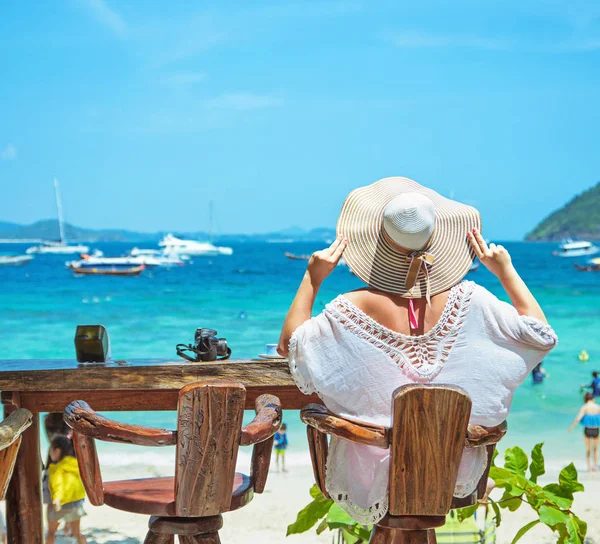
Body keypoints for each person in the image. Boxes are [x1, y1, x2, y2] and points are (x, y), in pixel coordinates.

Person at [278, 177, 557, 524]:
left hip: (373, 473)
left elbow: (290, 347)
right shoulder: (474, 302)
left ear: (376, 243)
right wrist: (505, 270)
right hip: (454, 468)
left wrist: (312, 278)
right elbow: (539, 335)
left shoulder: (351, 308)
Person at [46, 435, 88, 544]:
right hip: (77, 504)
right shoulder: (76, 464)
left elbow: (57, 484)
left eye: (51, 450)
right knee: (77, 533)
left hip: (63, 504)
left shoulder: (57, 467)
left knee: (51, 532)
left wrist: (56, 499)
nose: (50, 454)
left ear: (57, 450)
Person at [569, 392, 600, 472]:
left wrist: (572, 427)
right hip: (596, 429)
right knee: (595, 449)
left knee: (588, 449)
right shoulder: (597, 407)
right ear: (593, 399)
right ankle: (595, 466)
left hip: (587, 429)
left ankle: (588, 467)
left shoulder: (584, 407)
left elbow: (578, 418)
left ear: (585, 399)